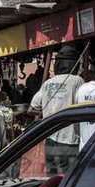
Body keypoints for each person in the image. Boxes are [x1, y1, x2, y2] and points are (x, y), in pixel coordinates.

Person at [31, 46, 84, 175]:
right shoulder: (78, 81)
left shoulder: (48, 83)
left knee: (52, 177)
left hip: (50, 138)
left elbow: (33, 108)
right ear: (75, 64)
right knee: (68, 178)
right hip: (69, 140)